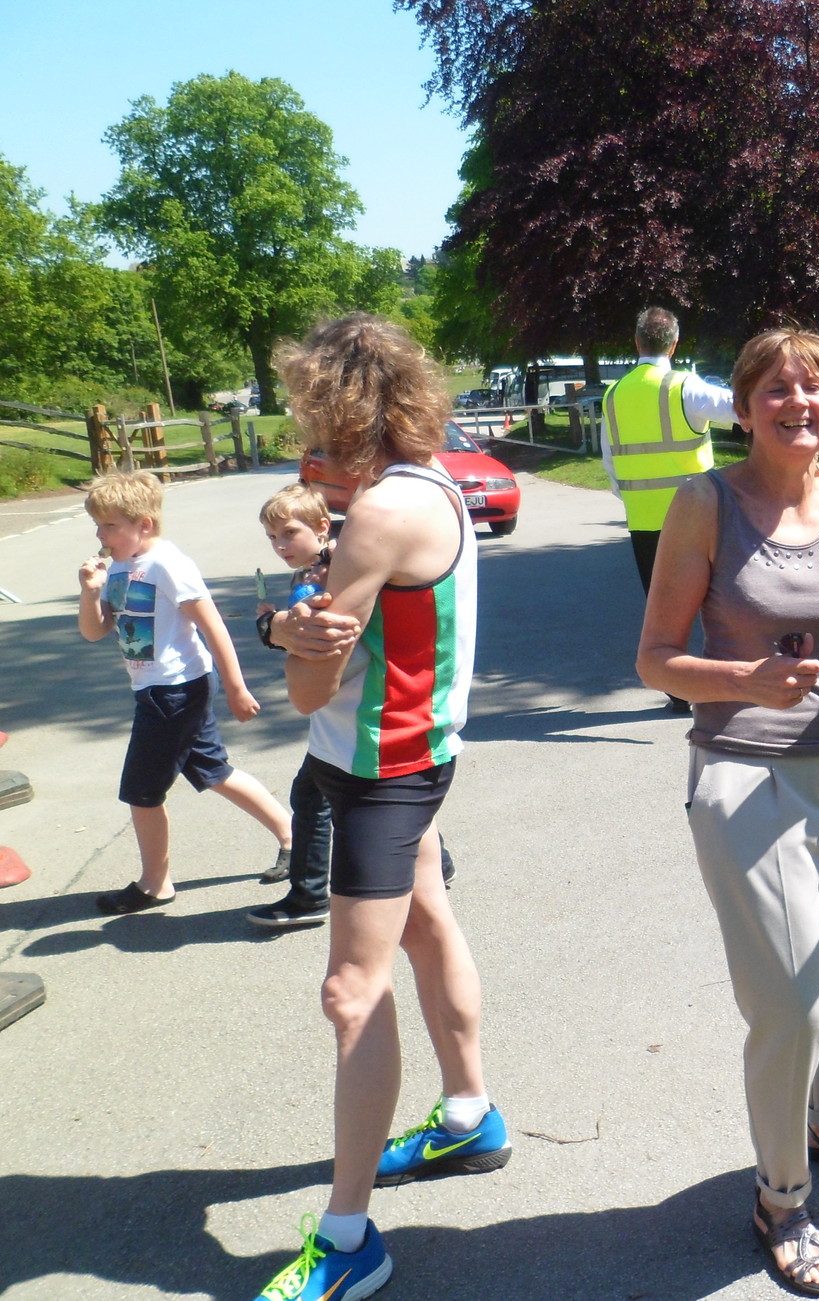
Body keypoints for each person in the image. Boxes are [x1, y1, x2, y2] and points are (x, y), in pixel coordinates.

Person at [636, 328, 819, 1299]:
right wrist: (743, 682)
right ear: (744, 403)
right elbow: (654, 658)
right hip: (745, 772)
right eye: (775, 387)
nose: (797, 402)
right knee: (790, 1003)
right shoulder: (703, 502)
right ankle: (781, 1198)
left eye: (816, 388)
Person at [255, 314, 509, 1300]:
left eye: (311, 413)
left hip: (379, 773)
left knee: (348, 993)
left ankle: (351, 1236)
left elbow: (310, 691)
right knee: (430, 924)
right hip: (414, 754)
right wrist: (305, 623)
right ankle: (468, 1118)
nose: (303, 437)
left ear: (343, 403)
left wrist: (284, 630)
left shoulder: (373, 516)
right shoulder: (431, 477)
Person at [75, 470, 291, 913]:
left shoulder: (166, 564)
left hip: (173, 691)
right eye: (97, 526)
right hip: (155, 689)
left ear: (144, 525)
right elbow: (96, 631)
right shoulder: (120, 565)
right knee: (214, 771)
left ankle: (156, 883)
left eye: (109, 525)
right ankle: (294, 836)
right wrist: (89, 592)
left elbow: (212, 625)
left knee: (141, 792)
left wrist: (236, 687)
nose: (101, 535)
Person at [246, 483, 456, 929]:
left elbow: (321, 641)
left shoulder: (327, 570)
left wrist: (271, 626)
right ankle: (438, 863)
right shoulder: (314, 568)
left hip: (359, 708)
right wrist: (278, 625)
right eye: (272, 537)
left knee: (323, 796)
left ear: (323, 527)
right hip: (341, 712)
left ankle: (308, 896)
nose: (281, 545)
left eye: (289, 533)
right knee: (369, 802)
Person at [603, 306, 738, 712]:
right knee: (720, 599)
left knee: (663, 610)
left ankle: (679, 691)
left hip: (644, 518)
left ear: (637, 343)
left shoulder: (614, 395)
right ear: (675, 344)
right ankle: (729, 680)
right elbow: (740, 409)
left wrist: (630, 496)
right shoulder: (685, 387)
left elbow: (610, 460)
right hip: (698, 515)